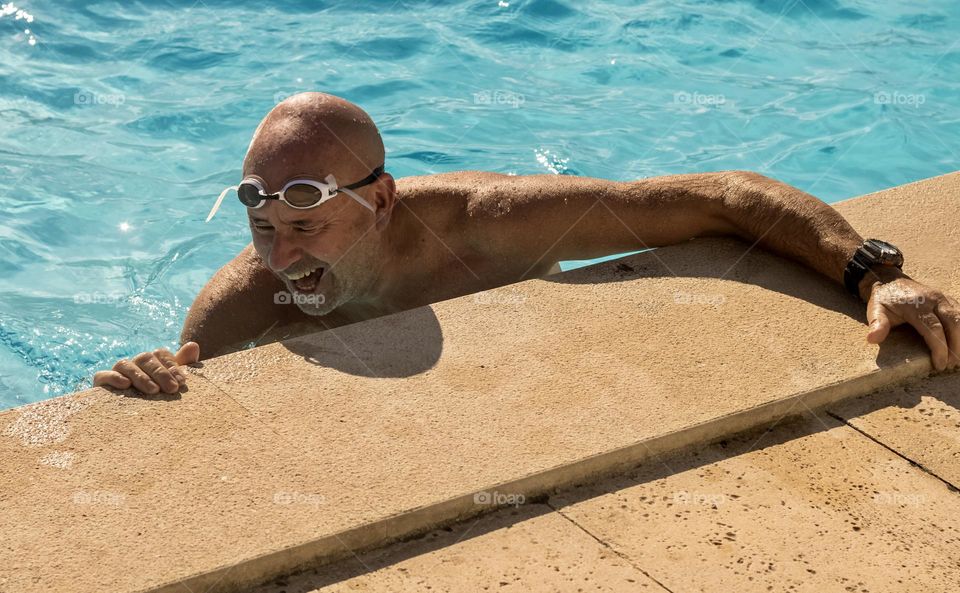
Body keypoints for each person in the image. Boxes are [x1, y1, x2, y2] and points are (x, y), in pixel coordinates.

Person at [93, 92, 960, 395]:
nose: (278, 259)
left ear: (383, 201)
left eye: (305, 230)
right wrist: (147, 381)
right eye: (261, 230)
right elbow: (186, 399)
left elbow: (721, 196)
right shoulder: (245, 298)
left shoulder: (494, 226)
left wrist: (874, 274)